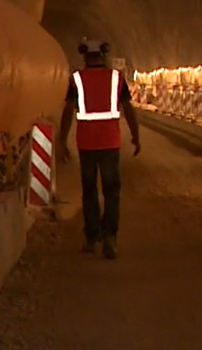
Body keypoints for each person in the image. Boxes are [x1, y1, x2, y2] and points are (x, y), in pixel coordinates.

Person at [58, 39, 141, 259]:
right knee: (111, 191)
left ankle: (91, 238)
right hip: (110, 144)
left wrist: (61, 140)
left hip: (86, 144)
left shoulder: (77, 79)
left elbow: (68, 111)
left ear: (85, 57)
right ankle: (110, 238)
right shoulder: (116, 78)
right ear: (102, 56)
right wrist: (136, 136)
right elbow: (128, 109)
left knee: (89, 191)